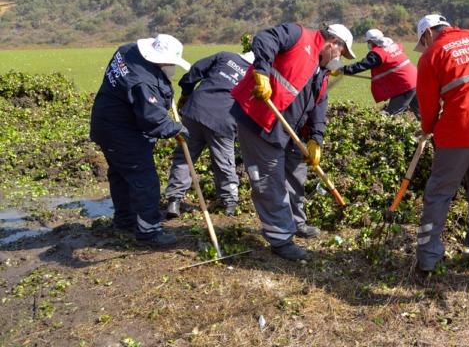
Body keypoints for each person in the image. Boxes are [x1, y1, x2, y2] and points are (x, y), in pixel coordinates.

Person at [230, 23, 355, 261]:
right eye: (341, 52)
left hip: (289, 130)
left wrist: (315, 140)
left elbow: (319, 106)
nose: (339, 58)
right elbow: (264, 38)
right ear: (333, 43)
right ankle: (280, 238)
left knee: (295, 173)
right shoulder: (299, 36)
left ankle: (296, 222)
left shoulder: (322, 72)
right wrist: (262, 74)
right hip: (260, 119)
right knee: (270, 179)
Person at [413, 14, 469, 272]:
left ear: (428, 33)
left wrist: (427, 128)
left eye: (424, 42)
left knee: (439, 194)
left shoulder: (432, 55)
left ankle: (428, 258)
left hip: (455, 136)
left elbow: (428, 105)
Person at [90, 34, 191, 247]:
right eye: (171, 63)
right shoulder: (143, 82)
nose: (172, 67)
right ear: (159, 60)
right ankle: (149, 231)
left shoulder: (128, 50)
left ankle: (125, 220)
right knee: (144, 179)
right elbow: (152, 121)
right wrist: (175, 128)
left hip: (106, 122)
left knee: (120, 174)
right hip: (121, 132)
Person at [163, 41, 255, 218]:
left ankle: (174, 201)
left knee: (184, 157)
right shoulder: (256, 75)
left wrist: (186, 93)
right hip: (223, 119)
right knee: (224, 161)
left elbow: (195, 70)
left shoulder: (225, 56)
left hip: (195, 111)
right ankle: (229, 202)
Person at [330, 29, 420, 119]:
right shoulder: (395, 45)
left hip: (404, 86)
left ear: (372, 41)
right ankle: (429, 132)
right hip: (416, 81)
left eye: (368, 42)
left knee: (392, 116)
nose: (368, 44)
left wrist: (341, 70)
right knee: (423, 114)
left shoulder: (377, 54)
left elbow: (361, 66)